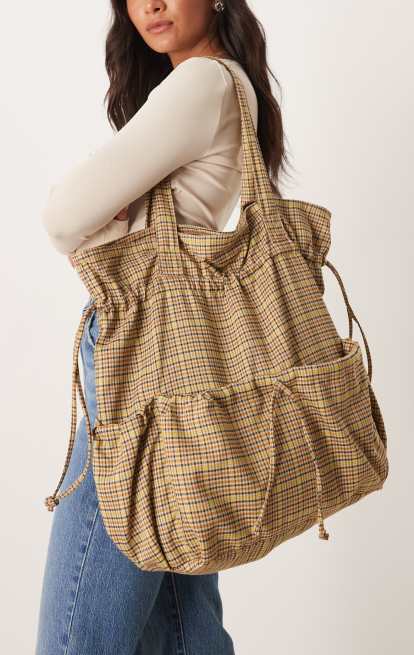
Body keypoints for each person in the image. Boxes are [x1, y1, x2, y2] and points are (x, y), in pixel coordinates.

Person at [36, 1, 288, 653]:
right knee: (183, 625)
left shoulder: (200, 82)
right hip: (184, 360)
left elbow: (64, 217)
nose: (150, 4)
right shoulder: (233, 82)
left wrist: (107, 212)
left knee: (78, 633)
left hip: (139, 359)